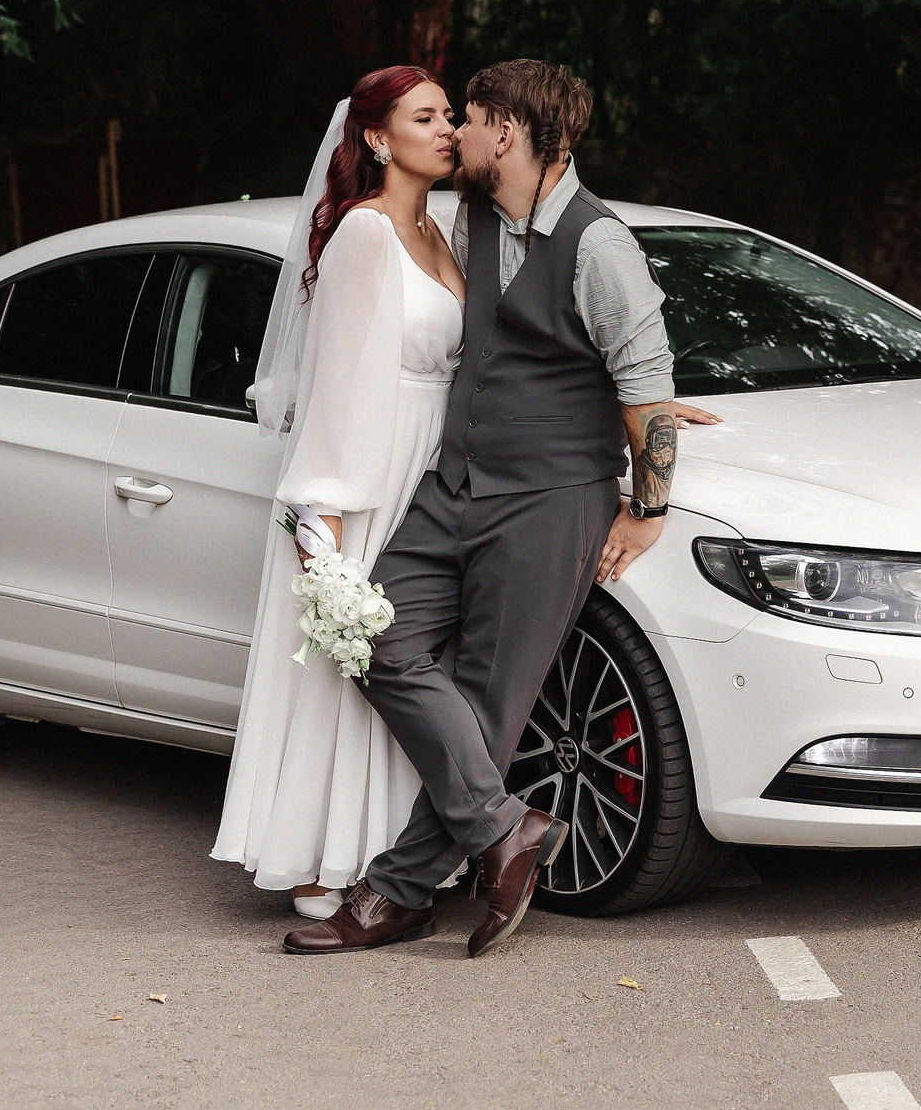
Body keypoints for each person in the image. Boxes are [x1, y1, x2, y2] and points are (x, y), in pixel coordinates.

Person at [283, 59, 691, 958]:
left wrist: (647, 511)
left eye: (466, 117)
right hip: (454, 484)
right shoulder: (464, 218)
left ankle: (394, 894)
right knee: (373, 636)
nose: (455, 131)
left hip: (549, 503)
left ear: (505, 132)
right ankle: (503, 828)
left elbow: (648, 399)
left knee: (491, 702)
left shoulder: (599, 245)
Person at [210, 66, 467, 917]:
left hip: (433, 462)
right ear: (376, 137)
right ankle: (331, 856)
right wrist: (319, 516)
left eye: (450, 115)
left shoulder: (441, 230)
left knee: (419, 660)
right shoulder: (363, 233)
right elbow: (337, 381)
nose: (447, 128)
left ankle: (404, 853)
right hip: (371, 467)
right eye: (424, 116)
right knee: (356, 663)